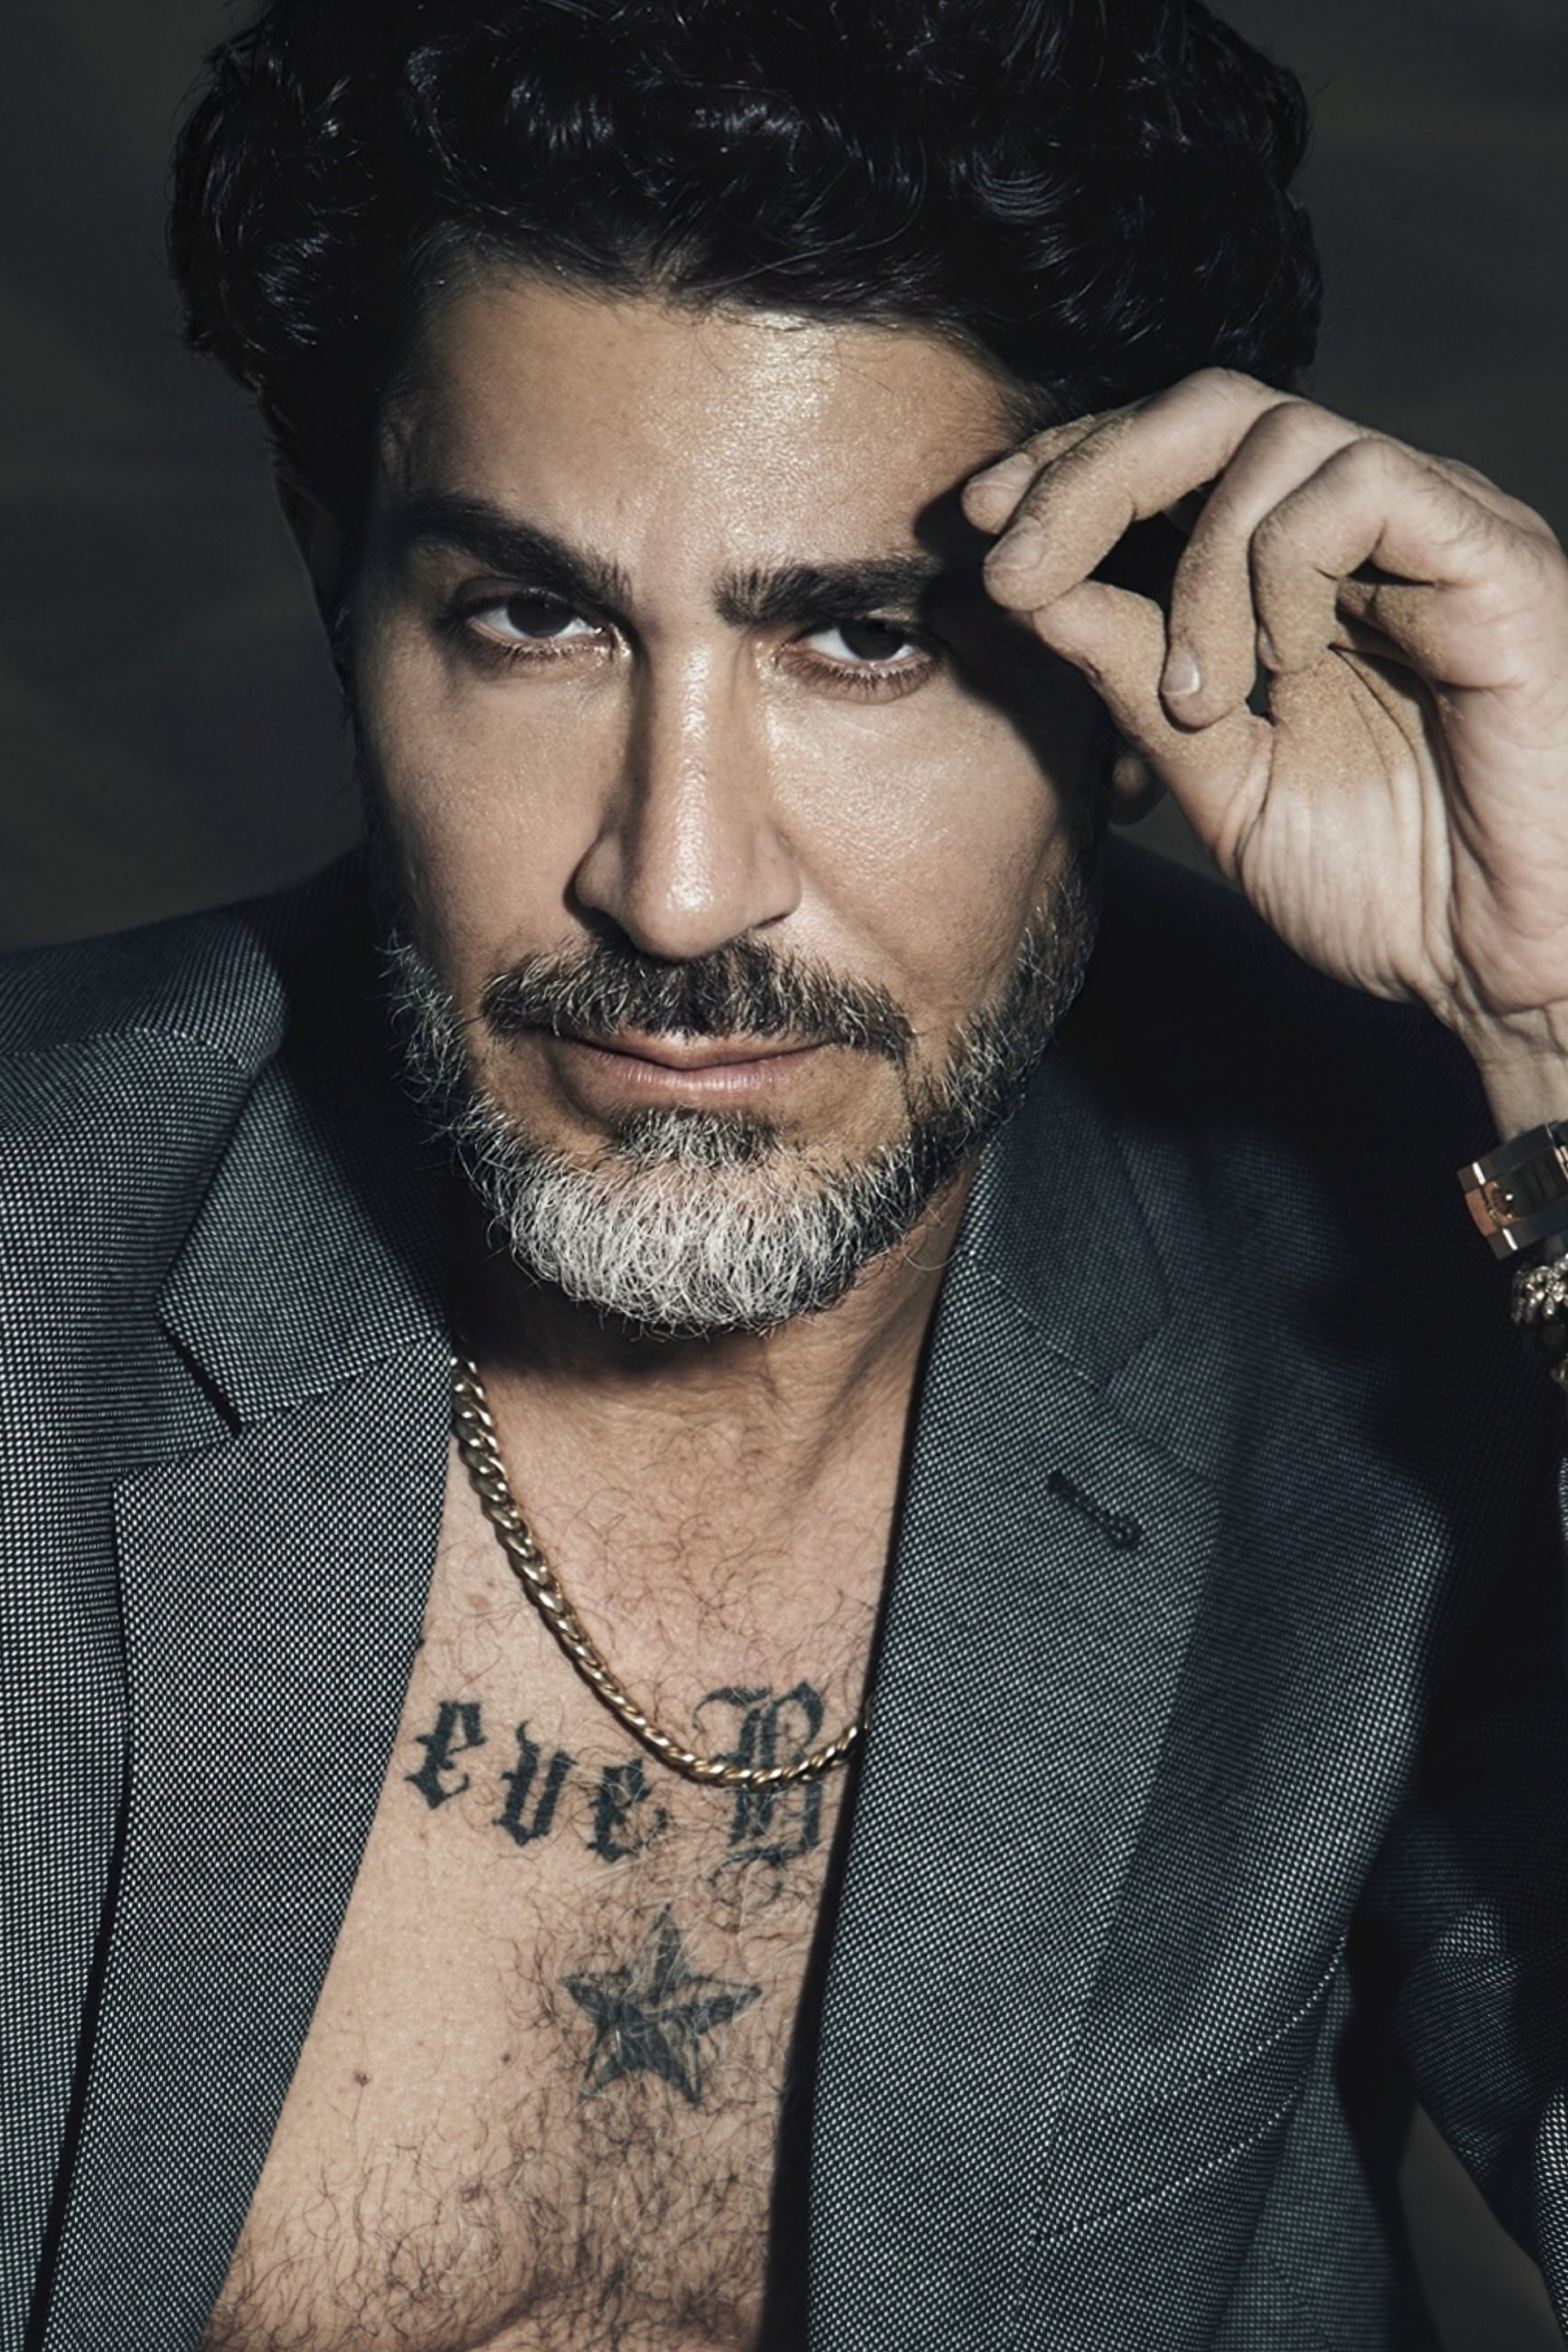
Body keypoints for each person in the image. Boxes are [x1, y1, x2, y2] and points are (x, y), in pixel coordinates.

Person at [5, 0, 1568, 2345]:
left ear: (1136, 655)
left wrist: (1561, 1029)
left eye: (863, 638)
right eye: (534, 620)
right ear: (339, 585)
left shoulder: (1411, 1286)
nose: (678, 886)